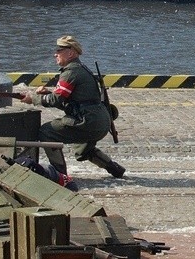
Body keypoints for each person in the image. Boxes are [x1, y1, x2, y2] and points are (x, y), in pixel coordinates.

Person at [20, 36, 125, 178]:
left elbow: (56, 100)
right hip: (101, 121)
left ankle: (59, 175)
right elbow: (71, 102)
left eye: (59, 50)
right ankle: (115, 169)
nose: (55, 54)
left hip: (88, 122)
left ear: (70, 53)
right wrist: (47, 94)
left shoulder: (70, 72)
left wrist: (33, 98)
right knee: (83, 150)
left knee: (46, 132)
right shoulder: (80, 69)